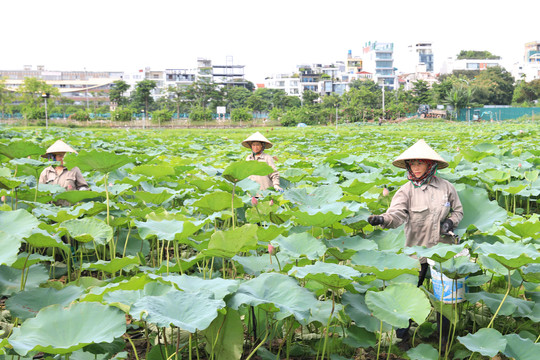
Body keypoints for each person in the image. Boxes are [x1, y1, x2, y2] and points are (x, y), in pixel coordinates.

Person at [367, 139, 463, 348]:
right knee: (409, 292)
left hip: (442, 248)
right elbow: (396, 215)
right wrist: (382, 219)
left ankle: (443, 338)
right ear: (408, 166)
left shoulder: (447, 188)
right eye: (413, 164)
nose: (416, 168)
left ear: (430, 165)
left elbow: (458, 211)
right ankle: (403, 338)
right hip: (415, 249)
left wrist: (450, 221)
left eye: (420, 163)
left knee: (444, 295)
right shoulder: (405, 191)